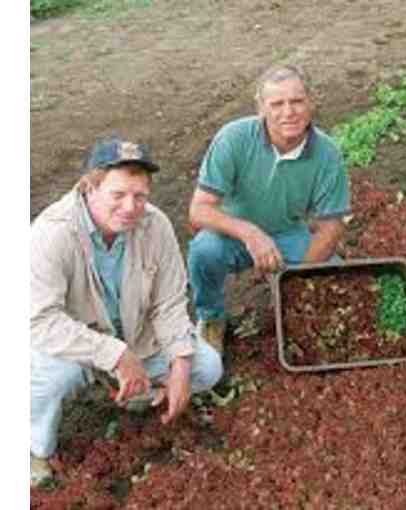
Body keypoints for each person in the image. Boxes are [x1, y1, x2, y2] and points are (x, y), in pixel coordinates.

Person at [30, 137, 224, 487]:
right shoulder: (52, 233)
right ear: (90, 187)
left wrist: (180, 363)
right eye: (117, 195)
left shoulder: (156, 226)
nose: (130, 207)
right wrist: (116, 355)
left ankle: (139, 393)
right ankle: (34, 449)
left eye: (140, 196)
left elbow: (169, 302)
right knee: (48, 382)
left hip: (136, 336)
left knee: (206, 368)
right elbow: (40, 321)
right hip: (75, 345)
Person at [187, 65, 351, 352]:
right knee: (204, 250)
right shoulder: (234, 138)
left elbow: (332, 226)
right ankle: (212, 318)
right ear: (261, 108)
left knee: (331, 270)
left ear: (311, 102)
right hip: (234, 234)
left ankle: (287, 302)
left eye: (297, 101)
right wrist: (250, 233)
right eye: (277, 103)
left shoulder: (327, 153)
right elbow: (199, 211)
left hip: (286, 233)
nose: (289, 112)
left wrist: (295, 281)